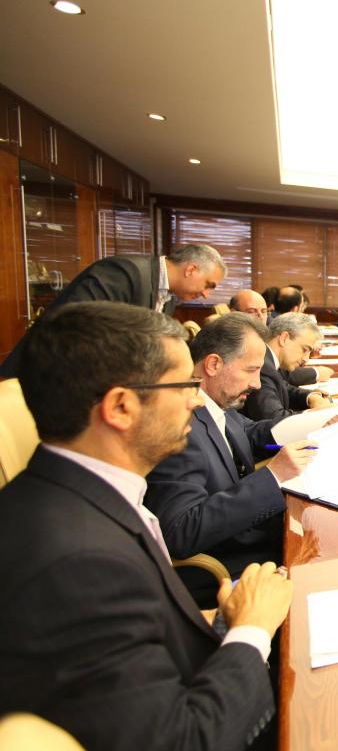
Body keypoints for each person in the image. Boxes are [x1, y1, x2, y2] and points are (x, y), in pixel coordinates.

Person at [0, 301, 291, 750]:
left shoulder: (88, 495)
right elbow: (186, 739)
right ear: (121, 407)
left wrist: (225, 621)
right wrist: (252, 629)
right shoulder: (78, 565)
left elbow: (141, 645)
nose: (197, 399)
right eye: (184, 386)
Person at [146, 313, 315, 604]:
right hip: (230, 565)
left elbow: (249, 432)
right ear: (213, 364)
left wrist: (315, 422)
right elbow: (181, 531)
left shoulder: (216, 404)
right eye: (250, 371)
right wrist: (274, 477)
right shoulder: (180, 425)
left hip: (255, 536)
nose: (257, 384)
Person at [1, 244, 225, 377]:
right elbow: (71, 328)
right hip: (43, 374)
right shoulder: (124, 273)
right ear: (192, 269)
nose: (206, 294)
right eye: (208, 285)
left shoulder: (168, 297)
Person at [243, 313, 334, 421]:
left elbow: (283, 388)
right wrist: (318, 415)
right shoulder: (262, 366)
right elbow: (274, 420)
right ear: (284, 338)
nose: (306, 359)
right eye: (304, 350)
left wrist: (311, 397)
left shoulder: (270, 360)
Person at [231, 289, 327, 385]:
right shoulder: (239, 347)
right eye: (251, 311)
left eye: (264, 311)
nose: (260, 316)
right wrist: (316, 373)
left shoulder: (261, 339)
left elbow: (280, 381)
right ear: (233, 313)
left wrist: (311, 396)